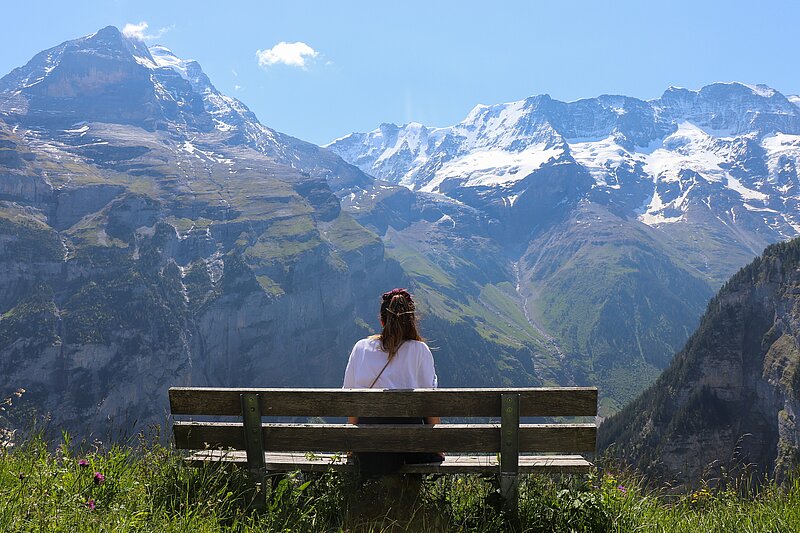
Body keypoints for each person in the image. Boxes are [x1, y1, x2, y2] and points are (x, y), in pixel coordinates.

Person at [342, 288, 444, 479]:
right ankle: (407, 502)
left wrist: (352, 445)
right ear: (412, 321)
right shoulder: (419, 350)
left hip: (369, 446)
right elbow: (431, 404)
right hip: (409, 446)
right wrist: (436, 445)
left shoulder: (361, 348)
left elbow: (351, 402)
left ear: (382, 321)